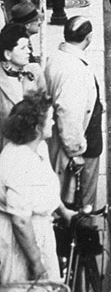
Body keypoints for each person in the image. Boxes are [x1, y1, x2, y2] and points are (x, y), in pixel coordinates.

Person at [0, 93, 76, 284]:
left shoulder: (39, 147)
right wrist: (35, 262)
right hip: (21, 244)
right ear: (36, 128)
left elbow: (45, 187)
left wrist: (63, 211)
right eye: (50, 119)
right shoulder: (18, 162)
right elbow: (20, 221)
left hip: (41, 232)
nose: (53, 123)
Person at [45, 16, 102, 208]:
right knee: (82, 198)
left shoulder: (57, 58)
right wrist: (76, 152)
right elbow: (68, 114)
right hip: (83, 146)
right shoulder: (74, 70)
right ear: (89, 37)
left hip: (73, 140)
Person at [0, 24, 46, 151]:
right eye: (23, 48)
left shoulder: (34, 71)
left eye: (29, 47)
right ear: (8, 54)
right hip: (8, 149)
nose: (29, 52)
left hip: (35, 146)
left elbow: (45, 108)